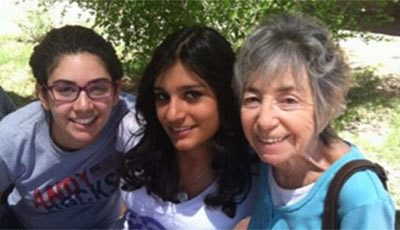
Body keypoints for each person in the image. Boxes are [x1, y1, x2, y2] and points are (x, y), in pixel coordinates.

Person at [233, 13, 395, 229]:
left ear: (327, 102)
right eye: (253, 99)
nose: (264, 120)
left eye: (288, 100)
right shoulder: (272, 162)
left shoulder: (361, 199)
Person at [118, 26, 256, 229]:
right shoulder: (133, 133)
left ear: (225, 96)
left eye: (192, 95)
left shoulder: (257, 178)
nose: (172, 114)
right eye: (162, 97)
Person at [0, 25, 138, 228]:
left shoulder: (131, 121)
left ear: (116, 91)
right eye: (65, 89)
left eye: (98, 88)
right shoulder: (13, 139)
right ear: (43, 95)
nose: (84, 106)